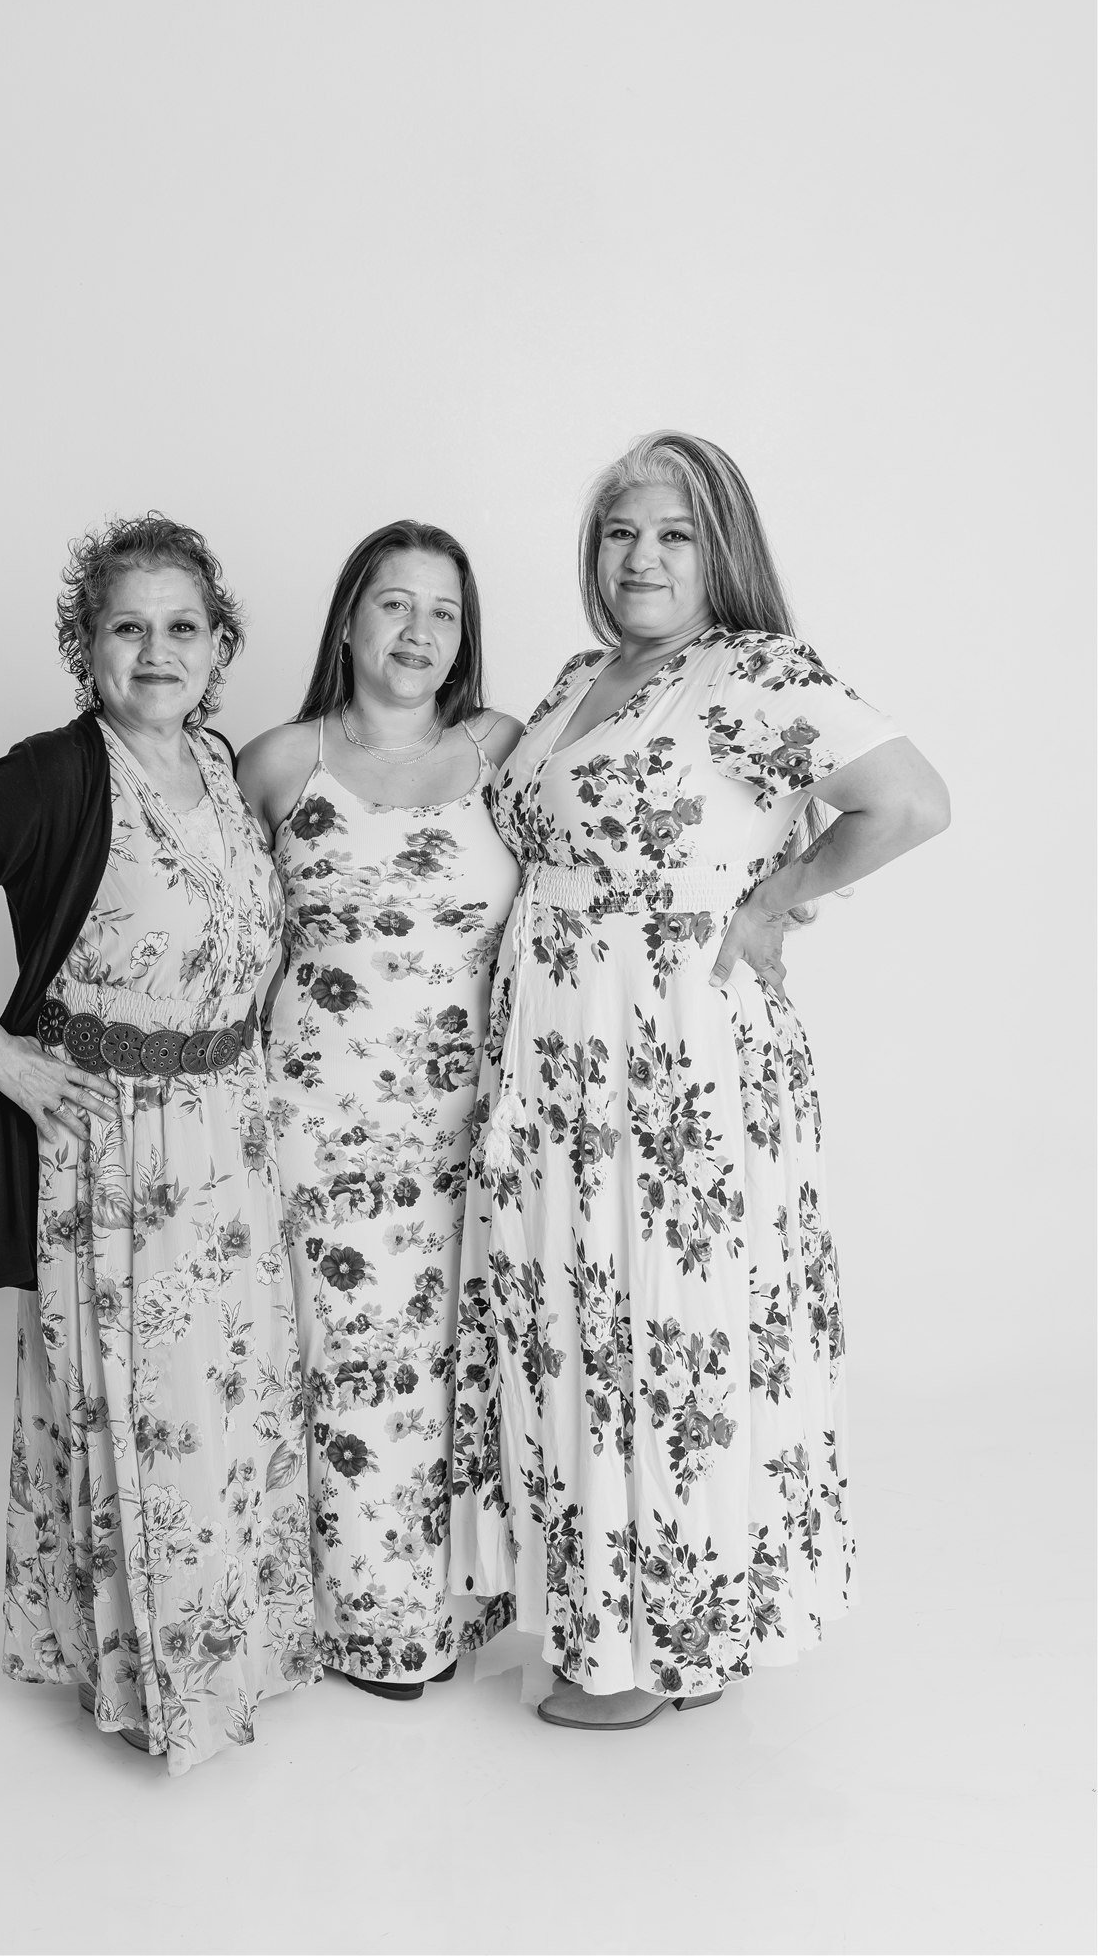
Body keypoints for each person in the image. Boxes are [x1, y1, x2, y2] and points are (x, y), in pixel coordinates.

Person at [450, 433, 950, 1729]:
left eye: (672, 533)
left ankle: (664, 1644)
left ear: (718, 548)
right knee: (576, 1322)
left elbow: (908, 801)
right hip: (556, 1056)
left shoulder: (754, 672)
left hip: (672, 1055)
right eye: (620, 532)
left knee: (669, 1331)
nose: (641, 557)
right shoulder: (578, 679)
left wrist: (774, 900)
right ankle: (612, 1617)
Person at [0, 513, 320, 1774]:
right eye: (127, 626)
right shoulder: (54, 774)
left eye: (182, 626)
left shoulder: (216, 761)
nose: (156, 651)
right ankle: (164, 1692)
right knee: (145, 1423)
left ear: (218, 645)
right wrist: (0, 1054)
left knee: (228, 1405)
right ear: (85, 645)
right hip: (117, 1146)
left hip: (228, 1133)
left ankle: (240, 1653)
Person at [238, 521, 523, 1698]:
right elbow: (216, 927)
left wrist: (770, 898)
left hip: (471, 1125)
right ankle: (357, 1629)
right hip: (316, 1123)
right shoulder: (277, 760)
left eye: (442, 610)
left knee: (456, 1367)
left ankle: (449, 1614)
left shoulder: (506, 748)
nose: (417, 630)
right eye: (394, 602)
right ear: (349, 617)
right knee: (345, 1374)